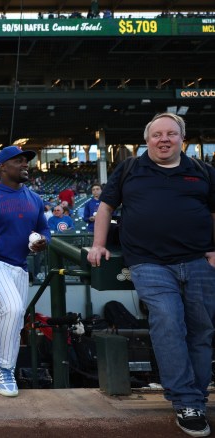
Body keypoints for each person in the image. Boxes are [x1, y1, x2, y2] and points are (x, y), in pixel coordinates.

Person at [87, 112, 215, 438]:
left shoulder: (202, 172)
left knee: (201, 330)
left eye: (171, 134)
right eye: (157, 134)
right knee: (169, 321)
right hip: (149, 262)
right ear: (147, 140)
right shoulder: (131, 168)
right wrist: (98, 245)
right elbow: (106, 207)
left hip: (198, 260)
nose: (164, 140)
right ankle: (187, 400)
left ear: (181, 139)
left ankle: (193, 398)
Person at [0, 145, 51, 398]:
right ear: (3, 166)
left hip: (20, 266)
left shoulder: (34, 198)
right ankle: (4, 369)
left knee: (15, 322)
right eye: (18, 161)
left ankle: (8, 370)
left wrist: (42, 241)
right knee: (14, 309)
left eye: (26, 161)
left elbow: (44, 230)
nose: (25, 164)